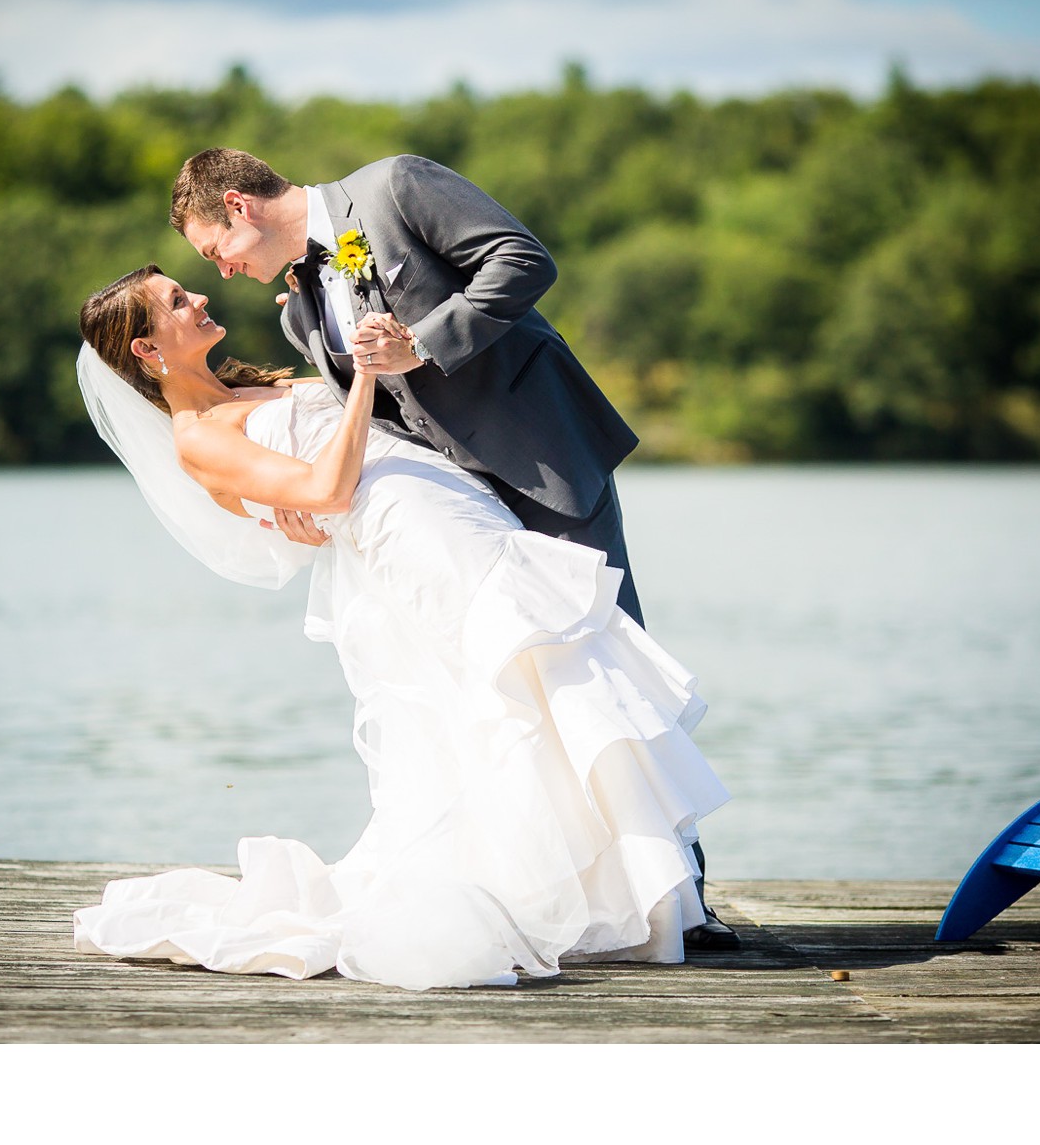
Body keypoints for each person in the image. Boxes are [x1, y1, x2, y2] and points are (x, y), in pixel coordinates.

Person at [71, 266, 732, 989]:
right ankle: (591, 889)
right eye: (175, 301)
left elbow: (313, 496)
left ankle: (624, 885)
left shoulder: (247, 386)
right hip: (409, 533)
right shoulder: (197, 436)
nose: (197, 298)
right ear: (144, 350)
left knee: (543, 667)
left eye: (186, 290)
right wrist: (359, 378)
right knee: (519, 675)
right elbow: (327, 489)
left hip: (451, 506)